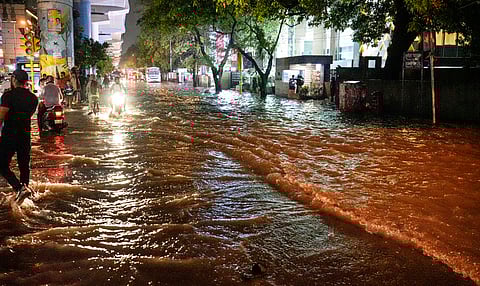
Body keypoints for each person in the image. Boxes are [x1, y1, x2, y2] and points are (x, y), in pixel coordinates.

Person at [0, 70, 38, 204]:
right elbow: (29, 115)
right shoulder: (33, 98)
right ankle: (26, 193)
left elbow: (1, 116)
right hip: (25, 135)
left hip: (9, 135)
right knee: (24, 166)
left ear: (14, 79)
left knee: (2, 165)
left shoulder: (8, 96)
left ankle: (18, 188)